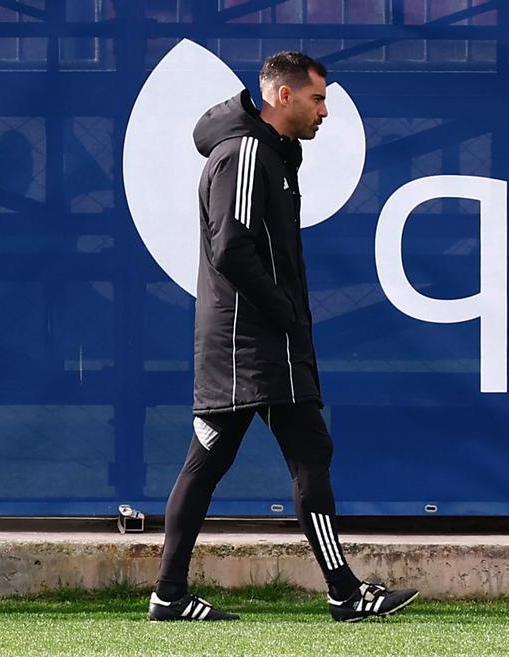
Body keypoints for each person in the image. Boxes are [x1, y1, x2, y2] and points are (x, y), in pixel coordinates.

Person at [148, 51, 417, 623]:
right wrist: (285, 311)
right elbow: (230, 249)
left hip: (260, 338)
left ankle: (172, 596)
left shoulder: (271, 155)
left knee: (267, 455)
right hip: (251, 341)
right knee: (253, 456)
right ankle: (342, 592)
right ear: (283, 97)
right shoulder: (246, 152)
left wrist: (286, 315)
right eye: (318, 99)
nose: (325, 112)